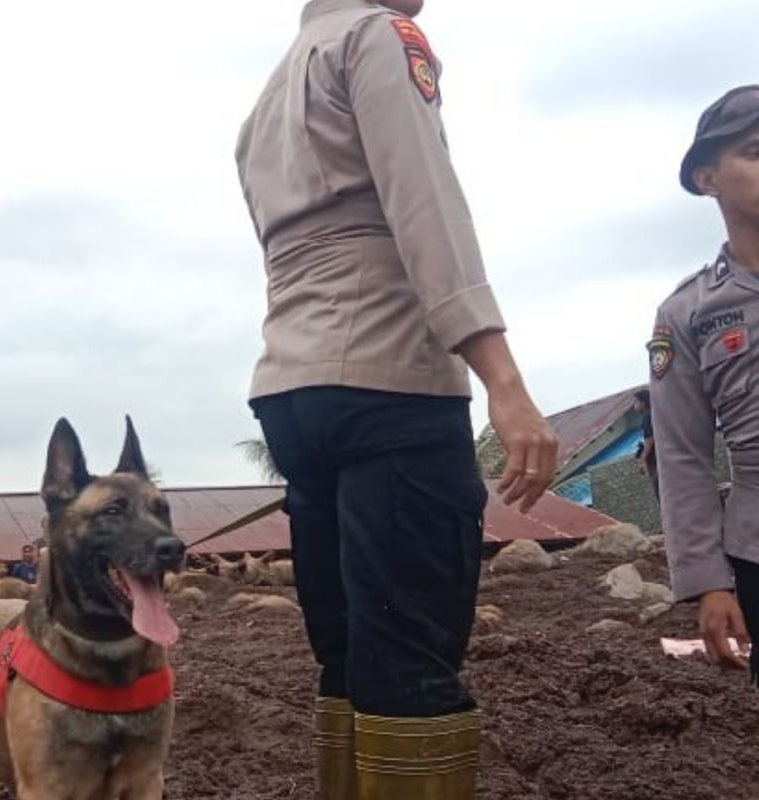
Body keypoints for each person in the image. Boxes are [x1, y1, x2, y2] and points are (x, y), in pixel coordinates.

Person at [234, 2, 558, 797]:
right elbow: (425, 204)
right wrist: (505, 384)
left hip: (293, 387)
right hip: (389, 378)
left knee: (346, 653)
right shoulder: (377, 37)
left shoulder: (268, 94)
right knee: (411, 659)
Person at [649, 85, 759, 681]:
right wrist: (709, 581)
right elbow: (682, 454)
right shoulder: (688, 313)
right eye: (757, 151)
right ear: (708, 178)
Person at [632, 389, 660, 501]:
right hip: (662, 461)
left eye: (636, 402)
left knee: (661, 493)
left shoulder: (647, 417)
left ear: (643, 402)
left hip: (657, 463)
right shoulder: (655, 414)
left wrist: (643, 459)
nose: (635, 405)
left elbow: (649, 439)